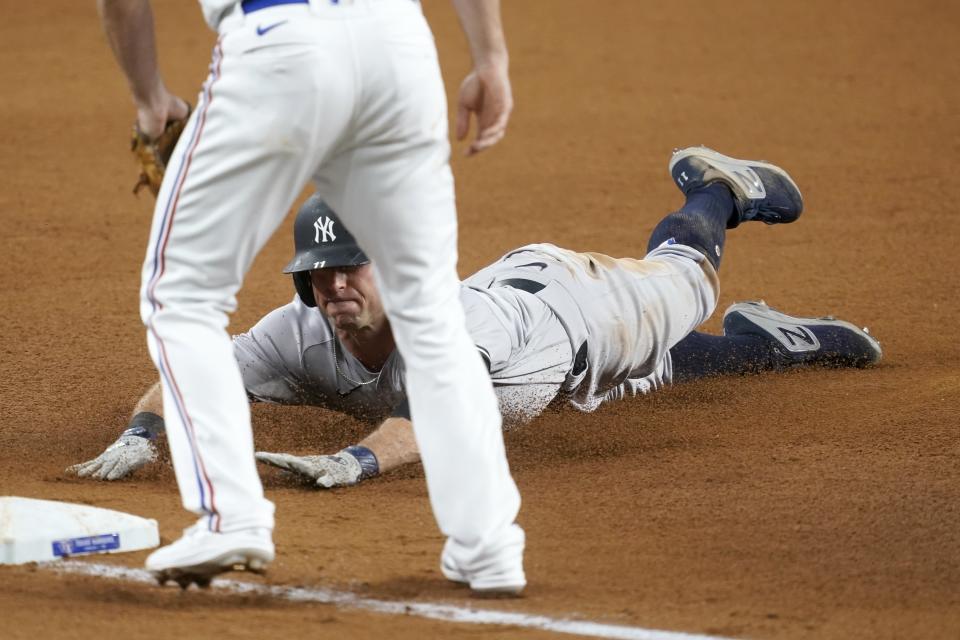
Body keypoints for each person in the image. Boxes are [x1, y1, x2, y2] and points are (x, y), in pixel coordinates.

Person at [71, 146, 881, 501]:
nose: (334, 286)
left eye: (351, 268)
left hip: (576, 305)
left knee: (687, 283)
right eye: (318, 274)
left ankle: (718, 191)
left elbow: (431, 416)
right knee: (661, 372)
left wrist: (355, 464)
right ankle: (773, 341)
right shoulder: (296, 331)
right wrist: (142, 434)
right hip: (549, 374)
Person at [96, 0, 524, 593]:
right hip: (397, 46)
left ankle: (230, 518)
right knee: (428, 308)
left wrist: (150, 100)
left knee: (183, 297)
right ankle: (489, 549)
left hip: (276, 46)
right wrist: (491, 58)